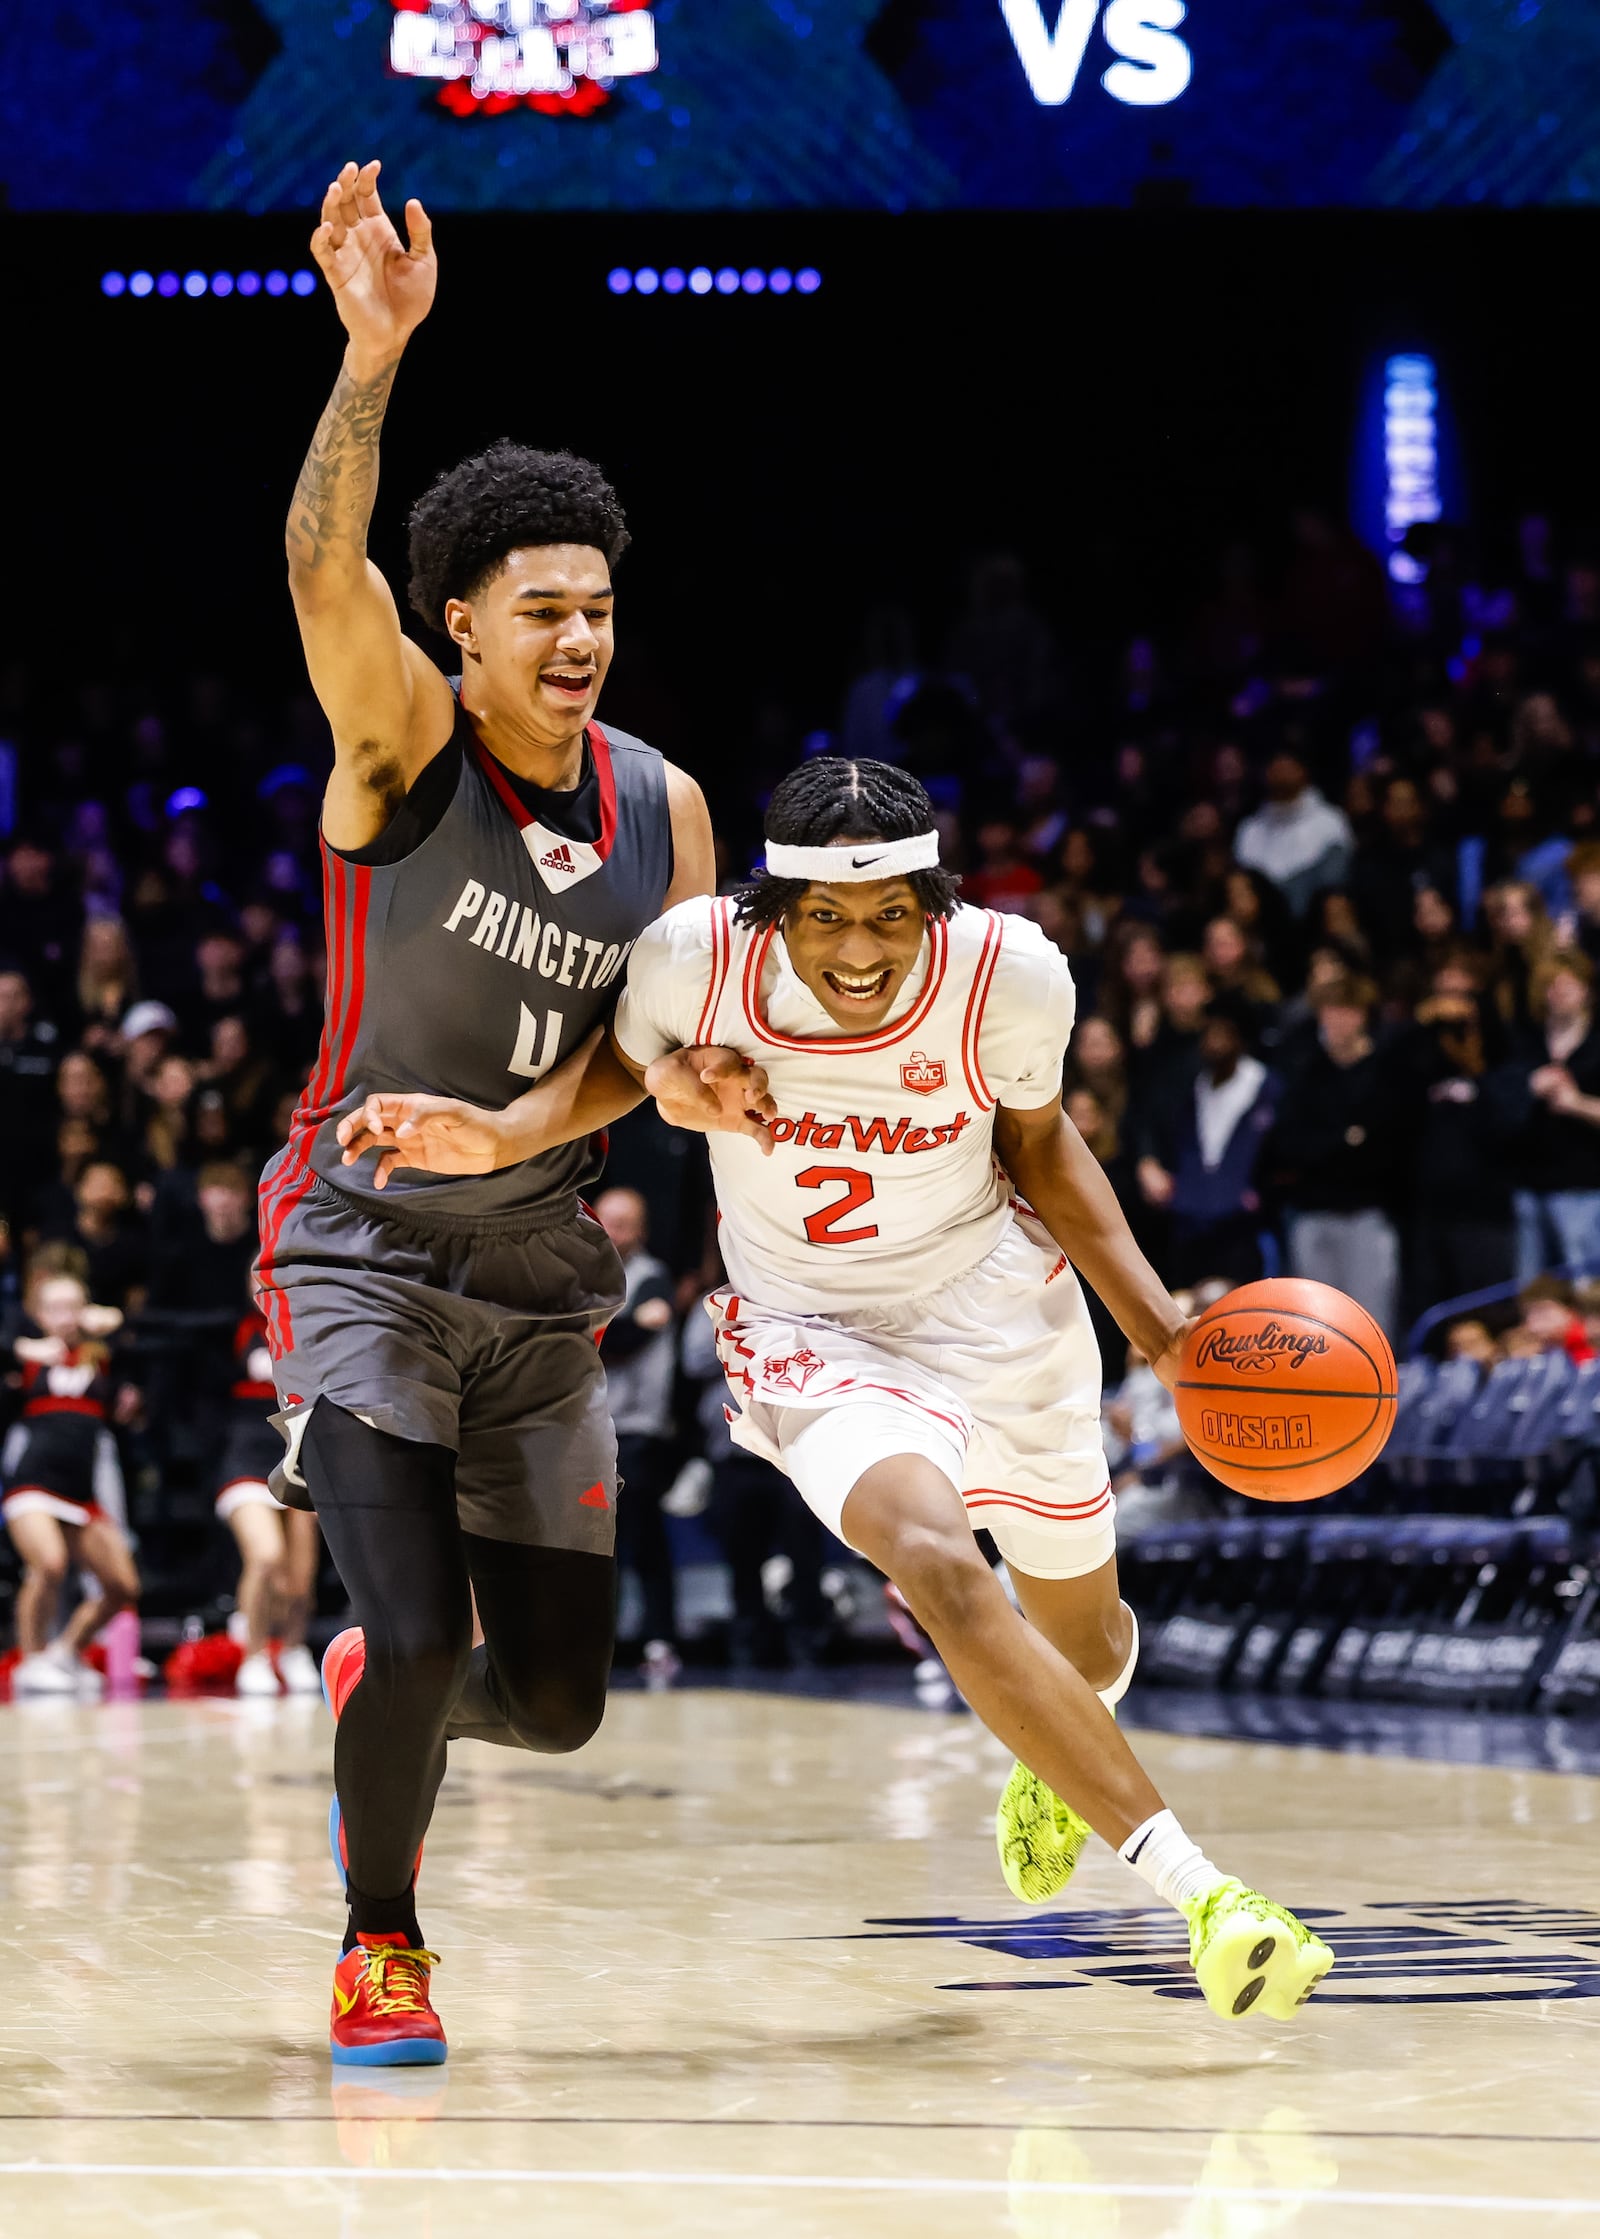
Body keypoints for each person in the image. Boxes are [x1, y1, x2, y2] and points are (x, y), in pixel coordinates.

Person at [350, 759, 1336, 2025]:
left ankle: (1057, 1743)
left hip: (995, 1308)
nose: (858, 949)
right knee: (936, 1559)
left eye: (888, 917)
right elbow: (618, 1067)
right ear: (776, 910)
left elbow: (1038, 1142)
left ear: (932, 905)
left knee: (1084, 1645)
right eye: (825, 916)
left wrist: (1159, 1331)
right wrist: (501, 1132)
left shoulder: (1008, 973)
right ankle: (1209, 1896)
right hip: (813, 1326)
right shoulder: (694, 960)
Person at [259, 157, 752, 2069]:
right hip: (368, 1245)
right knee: (419, 1613)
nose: (577, 639)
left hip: (546, 1273)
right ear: (454, 627)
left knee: (553, 1704)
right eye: (536, 609)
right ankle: (384, 1934)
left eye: (599, 608)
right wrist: (371, 357)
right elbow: (320, 565)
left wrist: (601, 1099)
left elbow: (660, 1039)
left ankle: (385, 1698)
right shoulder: (395, 741)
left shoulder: (671, 804)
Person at [2, 1263, 141, 1695]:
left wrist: (116, 1321)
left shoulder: (100, 1355)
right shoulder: (26, 1356)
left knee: (122, 1585)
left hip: (81, 1492)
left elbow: (152, 1342)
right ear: (39, 1314)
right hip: (33, 1483)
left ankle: (67, 1652)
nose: (64, 1316)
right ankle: (31, 1657)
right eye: (54, 1308)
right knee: (49, 1564)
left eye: (72, 1306)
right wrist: (19, 1346)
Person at [214, 1296, 324, 1697]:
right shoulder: (235, 1328)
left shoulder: (313, 1327)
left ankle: (293, 1650)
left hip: (296, 1452)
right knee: (265, 1557)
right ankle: (254, 1656)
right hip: (245, 1457)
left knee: (299, 1576)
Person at [592, 1186, 681, 1681]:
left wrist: (588, 1333)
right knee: (596, 1543)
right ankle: (602, 1643)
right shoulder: (585, 1276)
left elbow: (624, 1340)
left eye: (623, 1224)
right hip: (593, 1435)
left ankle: (659, 1638)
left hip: (639, 1433)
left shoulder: (652, 1279)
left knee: (644, 1540)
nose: (611, 1232)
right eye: (605, 1220)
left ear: (641, 1230)